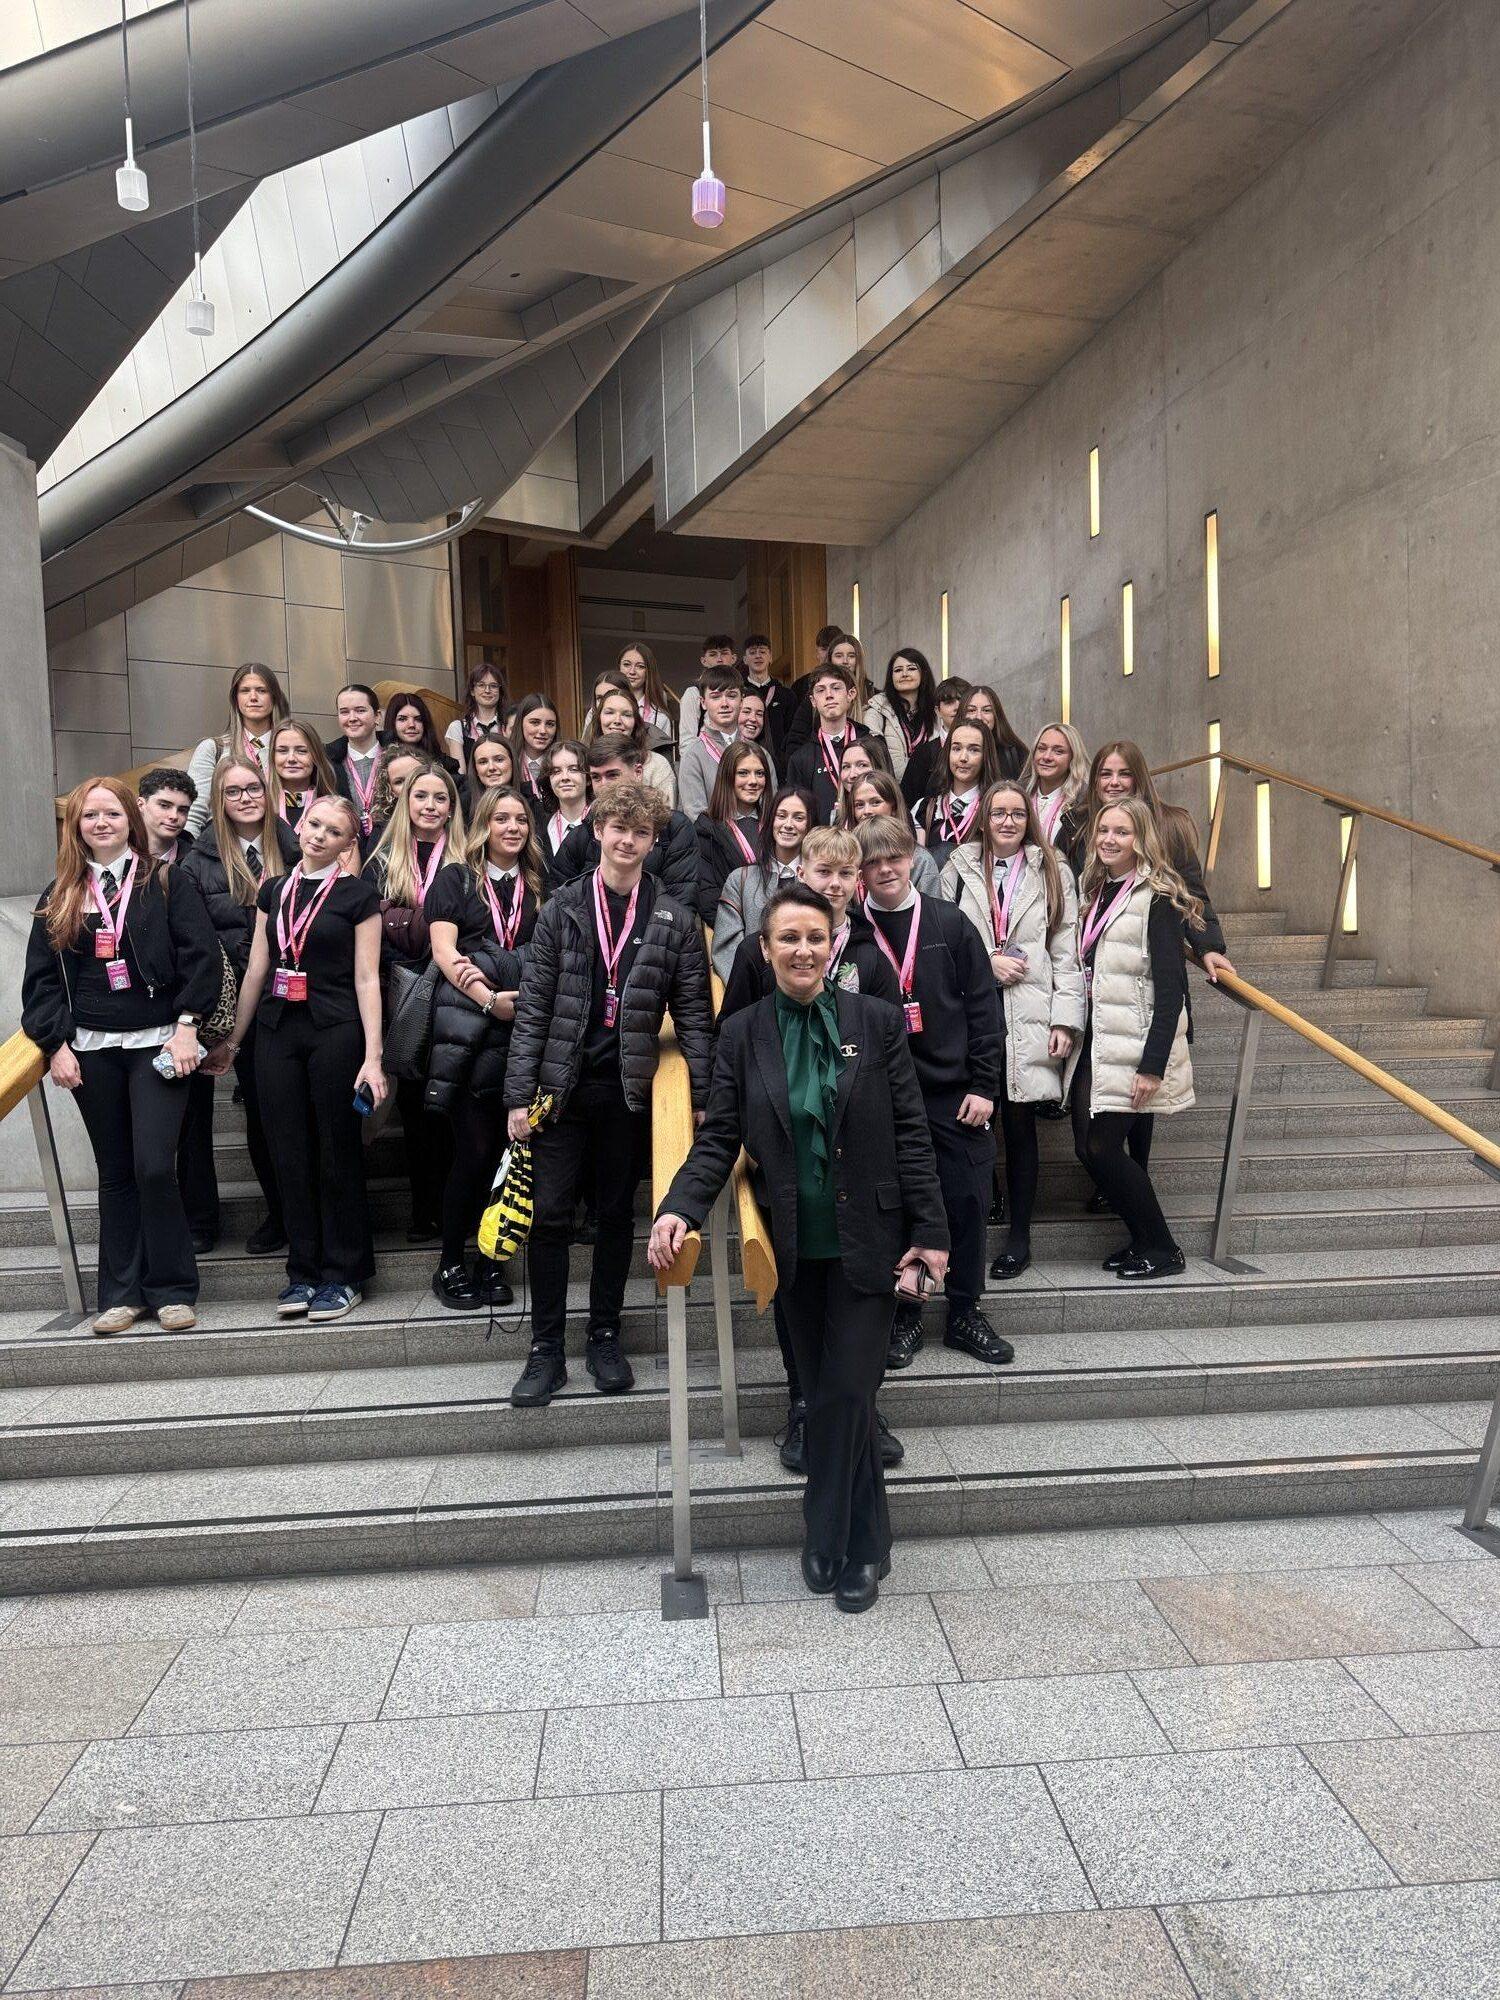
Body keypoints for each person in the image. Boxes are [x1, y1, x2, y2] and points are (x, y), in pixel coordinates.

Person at [651, 883, 948, 1613]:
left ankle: (831, 1533)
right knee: (823, 1397)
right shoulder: (743, 1032)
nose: (803, 950)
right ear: (764, 948)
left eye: (815, 936)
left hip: (868, 1244)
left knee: (849, 1392)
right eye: (788, 938)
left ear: (835, 941)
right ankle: (865, 1547)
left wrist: (932, 1234)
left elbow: (912, 1131)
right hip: (790, 1249)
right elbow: (721, 1136)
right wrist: (678, 1209)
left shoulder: (874, 1022)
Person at [504, 779, 713, 1407]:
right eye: (617, 829)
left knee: (618, 1216)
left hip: (627, 1094)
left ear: (652, 841)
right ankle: (544, 1349)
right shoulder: (563, 907)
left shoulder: (674, 918)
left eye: (640, 832)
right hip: (560, 1091)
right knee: (550, 1217)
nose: (627, 841)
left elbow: (697, 1016)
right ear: (597, 832)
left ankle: (603, 1334)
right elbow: (535, 1009)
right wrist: (518, 1095)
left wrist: (703, 1094)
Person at [23, 778, 220, 1335]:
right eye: (89, 815)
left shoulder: (165, 881)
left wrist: (187, 1027)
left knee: (155, 1166)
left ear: (130, 819)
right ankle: (121, 1294)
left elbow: (201, 957)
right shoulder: (60, 892)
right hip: (92, 1050)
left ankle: (173, 1289)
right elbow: (41, 982)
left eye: (111, 813)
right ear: (76, 827)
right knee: (115, 1172)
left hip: (158, 1043)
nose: (100, 823)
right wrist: (55, 1045)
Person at [204, 795, 385, 1321]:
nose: (319, 835)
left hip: (335, 1029)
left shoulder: (358, 896)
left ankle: (344, 1274)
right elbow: (257, 968)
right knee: (288, 1150)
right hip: (277, 1031)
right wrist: (234, 1041)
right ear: (299, 826)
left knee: (335, 1147)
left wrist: (373, 1057)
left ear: (349, 843)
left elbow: (368, 978)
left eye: (334, 831)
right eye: (314, 825)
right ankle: (303, 1272)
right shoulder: (274, 890)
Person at [857, 814, 1009, 1370]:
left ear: (912, 858)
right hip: (884, 1098)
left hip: (954, 1095)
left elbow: (984, 1008)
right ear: (860, 871)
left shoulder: (950, 923)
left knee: (967, 1201)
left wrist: (985, 1085)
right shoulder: (850, 933)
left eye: (893, 857)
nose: (884, 869)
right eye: (871, 861)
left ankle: (966, 1311)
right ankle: (906, 1315)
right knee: (898, 1210)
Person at [941, 782, 1086, 1279]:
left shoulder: (1054, 871)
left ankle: (1020, 1235)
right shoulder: (958, 866)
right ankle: (981, 1214)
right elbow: (940, 940)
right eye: (998, 813)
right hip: (971, 1013)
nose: (1007, 822)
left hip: (1031, 1010)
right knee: (974, 1120)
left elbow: (1067, 951)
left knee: (1021, 1127)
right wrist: (987, 962)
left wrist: (1066, 1019)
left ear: (1030, 821)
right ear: (985, 818)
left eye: (1017, 815)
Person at [426, 785, 546, 1308]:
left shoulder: (544, 883)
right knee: (473, 1153)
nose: (513, 827)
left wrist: (519, 996)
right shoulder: (456, 878)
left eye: (521, 819)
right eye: (502, 818)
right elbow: (444, 949)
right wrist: (488, 997)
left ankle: (493, 1262)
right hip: (473, 1031)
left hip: (527, 1032)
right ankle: (452, 1260)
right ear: (484, 824)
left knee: (511, 1156)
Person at [1073, 797, 1198, 1280]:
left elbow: (1171, 992)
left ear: (1140, 838)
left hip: (1135, 1044)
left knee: (1103, 1148)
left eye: (1121, 832)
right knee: (1088, 1148)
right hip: (1100, 1039)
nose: (1108, 839)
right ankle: (1142, 1240)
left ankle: (1163, 1247)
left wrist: (1152, 1066)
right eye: (1104, 830)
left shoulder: (1158, 898)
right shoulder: (1098, 889)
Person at [178, 759, 298, 1259]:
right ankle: (280, 1213)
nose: (246, 797)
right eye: (233, 792)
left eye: (253, 788)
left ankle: (308, 1209)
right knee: (262, 1113)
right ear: (219, 801)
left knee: (302, 1114)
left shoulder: (296, 844)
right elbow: (196, 939)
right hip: (244, 1005)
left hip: (301, 998)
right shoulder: (199, 860)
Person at [364, 759, 465, 1243]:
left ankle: (456, 1208)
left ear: (451, 808)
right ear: (406, 803)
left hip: (454, 994)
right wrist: (402, 964)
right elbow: (363, 931)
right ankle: (424, 1210)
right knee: (415, 1109)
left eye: (440, 798)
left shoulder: (467, 857)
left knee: (451, 1108)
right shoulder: (379, 858)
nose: (429, 805)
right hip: (399, 991)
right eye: (421, 796)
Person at [550, 735, 700, 904]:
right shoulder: (581, 835)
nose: (603, 785)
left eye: (612, 775)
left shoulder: (674, 828)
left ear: (638, 772)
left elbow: (681, 902)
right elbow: (560, 904)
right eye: (596, 778)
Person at [711, 784, 813, 981]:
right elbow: (726, 947)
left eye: (798, 817)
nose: (788, 824)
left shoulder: (822, 879)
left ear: (810, 824)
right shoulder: (740, 880)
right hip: (755, 995)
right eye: (781, 816)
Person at [185, 662, 288, 833]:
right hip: (225, 848)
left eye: (262, 690)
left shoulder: (293, 751)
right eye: (245, 690)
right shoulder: (213, 749)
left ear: (274, 697)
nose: (253, 697)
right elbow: (194, 814)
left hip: (285, 846)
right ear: (236, 699)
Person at [695, 741, 774, 920]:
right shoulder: (706, 829)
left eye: (760, 773)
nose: (753, 781)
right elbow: (709, 900)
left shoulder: (776, 824)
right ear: (727, 776)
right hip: (736, 933)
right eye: (743, 773)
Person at [785, 662, 872, 822]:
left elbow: (890, 799)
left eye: (836, 688)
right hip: (822, 844)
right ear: (812, 700)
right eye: (820, 690)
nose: (829, 695)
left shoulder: (873, 747)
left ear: (851, 694)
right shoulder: (801, 758)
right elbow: (797, 814)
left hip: (870, 841)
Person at [916, 721, 1001, 868]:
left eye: (974, 750)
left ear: (986, 756)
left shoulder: (995, 809)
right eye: (956, 748)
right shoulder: (924, 808)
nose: (963, 757)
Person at [842, 770, 941, 894]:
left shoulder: (920, 859)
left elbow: (931, 910)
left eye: (876, 802)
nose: (866, 811)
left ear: (893, 807)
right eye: (859, 805)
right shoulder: (845, 857)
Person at [584, 676, 676, 807]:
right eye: (609, 712)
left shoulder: (656, 764)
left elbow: (667, 816)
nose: (617, 720)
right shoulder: (584, 761)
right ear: (599, 719)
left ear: (636, 722)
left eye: (626, 715)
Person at [781, 633, 872, 759]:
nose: (845, 661)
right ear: (830, 659)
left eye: (851, 656)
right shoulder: (813, 699)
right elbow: (795, 742)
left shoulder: (874, 697)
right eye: (838, 656)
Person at [677, 665, 742, 820]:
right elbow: (695, 815)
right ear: (703, 702)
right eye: (715, 696)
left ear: (742, 700)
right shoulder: (693, 755)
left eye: (732, 696)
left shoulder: (757, 751)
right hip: (711, 840)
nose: (724, 703)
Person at [863, 648, 937, 782]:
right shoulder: (877, 709)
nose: (904, 674)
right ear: (891, 677)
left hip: (930, 793)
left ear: (923, 673)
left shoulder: (937, 711)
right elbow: (872, 751)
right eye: (898, 670)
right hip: (892, 791)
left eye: (911, 669)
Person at [900, 676, 971, 811]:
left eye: (963, 701)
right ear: (937, 711)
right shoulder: (923, 754)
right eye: (949, 702)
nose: (957, 707)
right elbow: (906, 804)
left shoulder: (989, 747)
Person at [329, 684, 385, 843]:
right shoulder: (326, 764)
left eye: (360, 710)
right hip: (345, 851)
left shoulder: (398, 758)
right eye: (344, 712)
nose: (352, 718)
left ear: (377, 716)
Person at [1022, 721, 1090, 851]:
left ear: (1073, 758)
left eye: (1058, 751)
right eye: (1041, 749)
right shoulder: (1017, 793)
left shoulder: (1085, 803)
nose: (1047, 757)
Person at [267, 719, 338, 832]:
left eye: (301, 751)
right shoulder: (261, 806)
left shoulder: (335, 809)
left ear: (315, 756)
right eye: (282, 751)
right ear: (272, 757)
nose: (291, 759)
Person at [615, 642, 678, 757]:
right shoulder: (600, 709)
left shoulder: (660, 717)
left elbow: (664, 760)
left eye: (640, 666)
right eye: (627, 664)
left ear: (648, 671)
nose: (632, 671)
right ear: (619, 667)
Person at [677, 632, 741, 744]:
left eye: (724, 653)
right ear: (703, 661)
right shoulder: (694, 692)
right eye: (713, 654)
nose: (719, 659)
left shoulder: (742, 690)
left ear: (734, 658)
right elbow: (687, 741)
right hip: (705, 757)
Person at [445, 663, 508, 772]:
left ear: (500, 691)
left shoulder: (508, 726)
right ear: (472, 691)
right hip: (471, 788)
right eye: (481, 685)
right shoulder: (457, 728)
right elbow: (461, 774)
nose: (487, 690)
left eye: (493, 686)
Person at [741, 631, 794, 755]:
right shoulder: (738, 693)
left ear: (770, 657)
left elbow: (792, 733)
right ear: (745, 659)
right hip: (744, 757)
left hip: (780, 764)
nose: (758, 656)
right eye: (752, 652)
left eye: (763, 652)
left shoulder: (787, 695)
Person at [960, 685, 1028, 779]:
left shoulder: (1016, 752)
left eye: (986, 710)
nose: (979, 717)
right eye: (971, 710)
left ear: (996, 715)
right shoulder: (948, 752)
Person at [538, 740, 591, 859]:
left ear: (588, 778)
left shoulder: (602, 823)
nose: (564, 777)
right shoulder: (539, 830)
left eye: (573, 769)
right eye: (556, 771)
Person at [385, 691, 459, 774]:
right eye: (402, 719)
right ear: (392, 723)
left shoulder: (447, 766)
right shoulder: (379, 762)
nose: (412, 725)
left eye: (418, 719)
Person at [509, 693, 560, 808]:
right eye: (535, 722)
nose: (543, 730)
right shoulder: (508, 762)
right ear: (520, 723)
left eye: (550, 724)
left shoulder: (563, 763)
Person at [829, 737, 893, 827]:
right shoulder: (838, 819)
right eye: (846, 766)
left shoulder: (901, 820)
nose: (852, 775)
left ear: (880, 768)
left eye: (862, 765)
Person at [136, 769, 197, 864]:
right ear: (141, 805)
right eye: (164, 806)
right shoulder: (115, 851)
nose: (174, 816)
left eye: (182, 810)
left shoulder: (196, 862)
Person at [462, 734, 517, 819]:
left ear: (512, 763)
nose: (491, 768)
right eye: (483, 762)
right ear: (475, 769)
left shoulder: (530, 801)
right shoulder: (464, 805)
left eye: (499, 760)